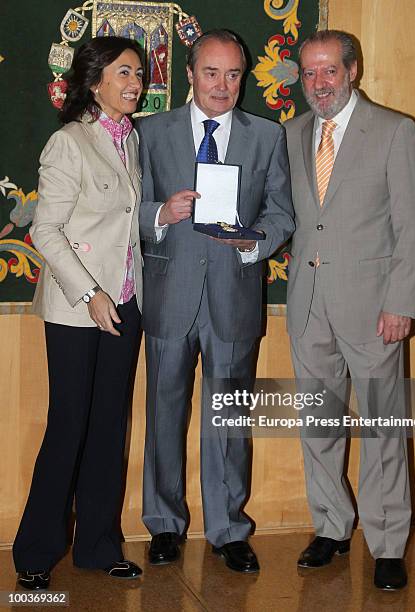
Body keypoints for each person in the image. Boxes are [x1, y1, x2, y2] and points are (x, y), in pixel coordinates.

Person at [137, 29, 294, 573]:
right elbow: (124, 211)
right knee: (164, 414)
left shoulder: (267, 136)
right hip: (167, 296)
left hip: (234, 295)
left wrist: (256, 243)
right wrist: (160, 213)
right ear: (189, 73)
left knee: (227, 419)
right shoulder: (148, 133)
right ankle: (163, 523)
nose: (223, 85)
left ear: (244, 76)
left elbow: (282, 214)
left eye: (233, 74)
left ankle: (229, 529)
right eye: (211, 72)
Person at [285, 30, 415, 590]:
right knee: (318, 425)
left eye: (329, 71)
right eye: (309, 73)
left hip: (376, 309)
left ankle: (388, 541)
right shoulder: (293, 133)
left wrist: (402, 302)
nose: (319, 84)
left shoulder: (395, 131)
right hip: (308, 305)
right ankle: (331, 527)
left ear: (353, 71)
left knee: (382, 426)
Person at [13, 36, 145, 590]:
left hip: (125, 304)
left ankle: (97, 545)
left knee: (109, 427)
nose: (136, 82)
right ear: (94, 82)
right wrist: (90, 293)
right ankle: (36, 554)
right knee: (69, 425)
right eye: (124, 73)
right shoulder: (69, 142)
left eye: (139, 73)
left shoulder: (130, 138)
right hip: (78, 308)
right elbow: (46, 228)